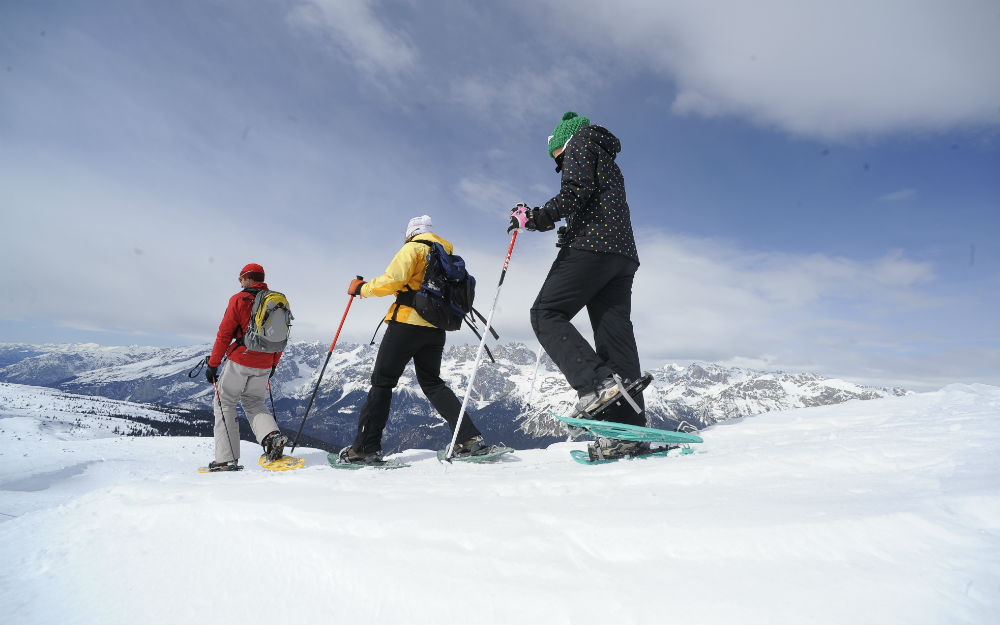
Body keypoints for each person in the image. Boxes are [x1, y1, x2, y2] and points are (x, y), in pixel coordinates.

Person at [508, 111, 648, 457]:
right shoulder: (605, 156)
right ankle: (629, 431)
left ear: (562, 142)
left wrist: (534, 218)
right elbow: (593, 200)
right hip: (622, 254)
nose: (558, 164)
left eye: (557, 157)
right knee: (614, 334)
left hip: (592, 247)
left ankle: (596, 383)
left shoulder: (580, 143)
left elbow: (575, 191)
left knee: (545, 312)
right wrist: (568, 229)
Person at [338, 215, 489, 464]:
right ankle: (469, 438)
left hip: (406, 325)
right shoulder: (447, 255)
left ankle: (365, 448)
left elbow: (392, 281)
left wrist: (362, 289)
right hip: (436, 328)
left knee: (382, 383)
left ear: (411, 233)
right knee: (432, 383)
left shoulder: (413, 249)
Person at [204, 263, 287, 471]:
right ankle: (272, 437)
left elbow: (224, 334)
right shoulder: (277, 301)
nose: (240, 282)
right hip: (265, 362)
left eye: (241, 278)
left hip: (240, 360)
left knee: (224, 402)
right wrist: (273, 363)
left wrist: (213, 364)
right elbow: (281, 337)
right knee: (254, 402)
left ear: (249, 278)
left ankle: (225, 459)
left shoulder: (239, 299)